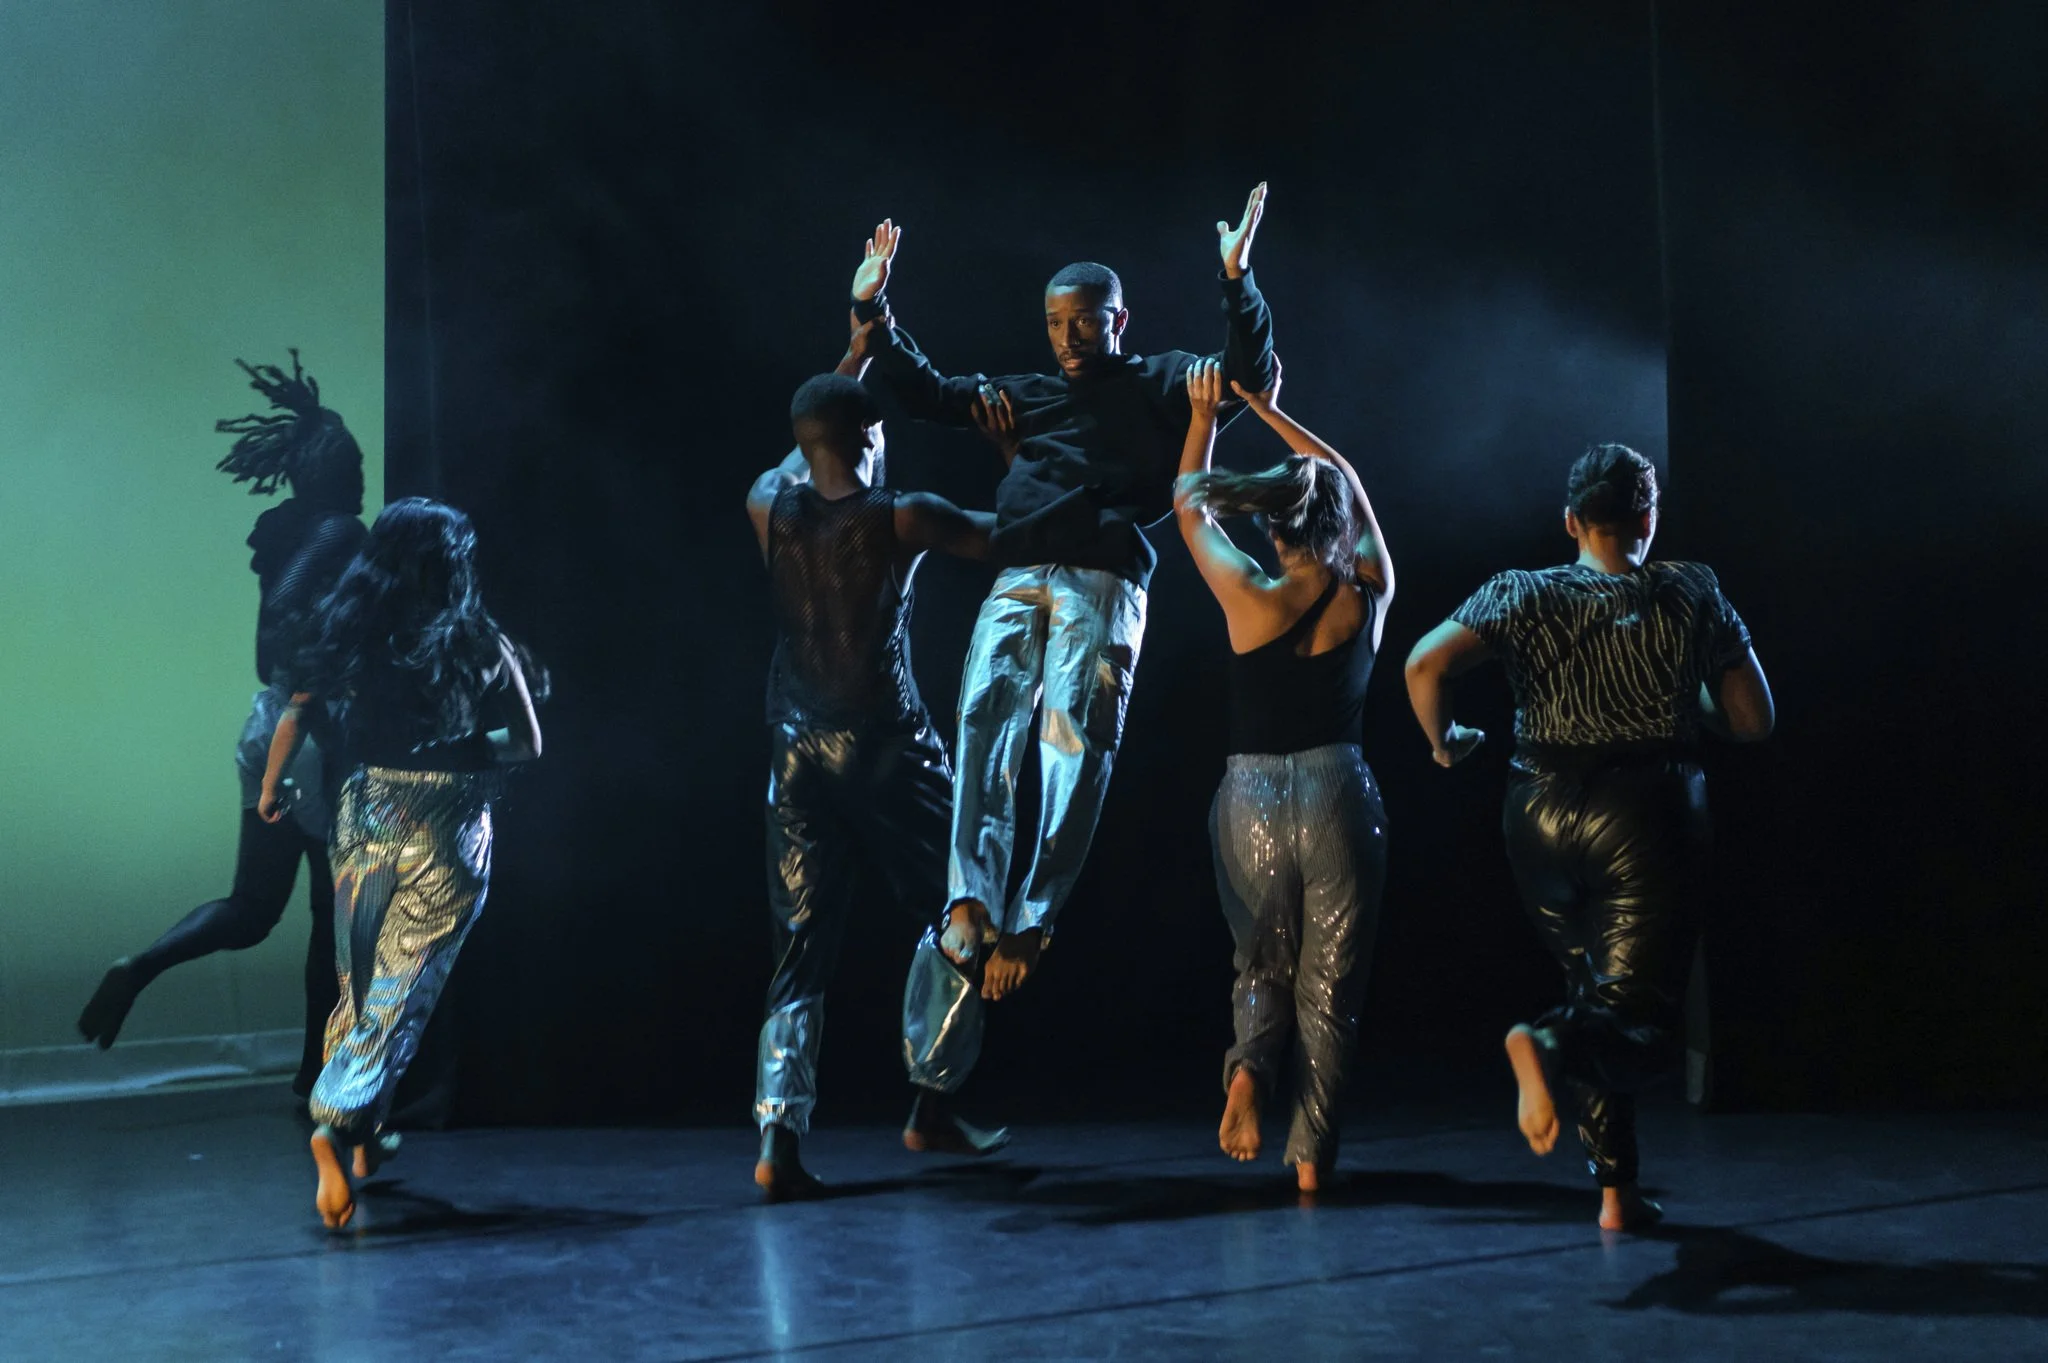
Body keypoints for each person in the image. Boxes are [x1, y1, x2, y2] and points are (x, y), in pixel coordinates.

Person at [846, 183, 1278, 1001]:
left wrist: (1237, 280)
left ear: (1120, 319)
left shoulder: (1160, 380)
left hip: (1101, 576)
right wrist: (875, 308)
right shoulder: (1030, 394)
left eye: (1086, 321)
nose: (1069, 337)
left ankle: (1034, 916)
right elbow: (930, 392)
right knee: (983, 721)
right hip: (1018, 572)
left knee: (1072, 739)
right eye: (1055, 323)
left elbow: (1249, 377)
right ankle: (971, 900)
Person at [1403, 443, 1774, 1230]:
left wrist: (1445, 743)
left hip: (1536, 812)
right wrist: (1685, 694)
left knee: (1594, 990)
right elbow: (1753, 718)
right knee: (1642, 1022)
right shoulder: (1689, 587)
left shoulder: (1520, 590)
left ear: (1570, 520)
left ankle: (1616, 1192)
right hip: (1643, 816)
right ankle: (1545, 1046)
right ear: (1648, 518)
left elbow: (1424, 665)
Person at [746, 317, 1007, 1199]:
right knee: (965, 904)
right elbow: (1009, 535)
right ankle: (931, 1101)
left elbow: (807, 439)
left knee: (799, 945)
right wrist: (1015, 457)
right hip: (885, 744)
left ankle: (778, 1138)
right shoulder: (902, 514)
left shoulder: (767, 504)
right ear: (870, 435)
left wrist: (855, 353)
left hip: (795, 747)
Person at [77, 353, 365, 1098]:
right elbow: (288, 613)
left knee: (251, 908)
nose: (364, 477)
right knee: (329, 916)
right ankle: (315, 1073)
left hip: (269, 723)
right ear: (329, 474)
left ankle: (142, 965)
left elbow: (268, 643)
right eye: (355, 465)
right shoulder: (338, 531)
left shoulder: (287, 531)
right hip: (315, 734)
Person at [259, 497, 545, 1229]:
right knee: (400, 990)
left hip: (366, 814)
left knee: (358, 986)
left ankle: (362, 1135)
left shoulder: (349, 630)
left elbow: (296, 712)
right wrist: (468, 752)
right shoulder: (481, 642)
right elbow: (528, 744)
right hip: (448, 825)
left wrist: (271, 788)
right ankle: (336, 1122)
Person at [1175, 357, 1394, 1193]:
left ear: (1274, 529)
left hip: (1253, 794)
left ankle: (1247, 1073)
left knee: (1261, 959)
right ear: (1338, 528)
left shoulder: (1249, 594)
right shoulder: (1367, 592)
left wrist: (1207, 419)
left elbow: (1189, 507)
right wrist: (1272, 411)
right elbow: (1348, 478)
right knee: (1329, 985)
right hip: (1339, 790)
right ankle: (1310, 1160)